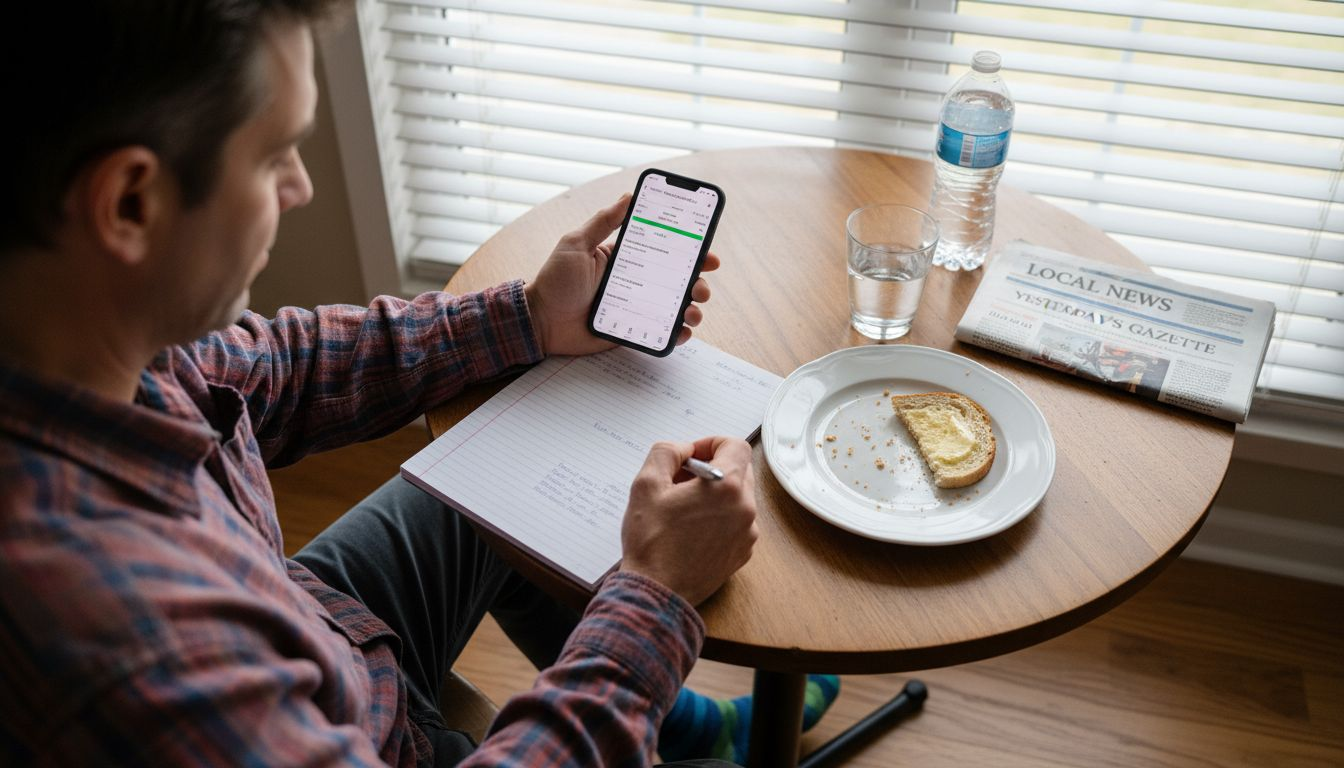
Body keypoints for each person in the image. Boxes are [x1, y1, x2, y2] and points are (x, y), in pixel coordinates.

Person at [0, 2, 839, 765]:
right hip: (370, 735)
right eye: (274, 156)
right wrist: (655, 597)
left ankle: (679, 729)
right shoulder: (130, 646)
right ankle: (662, 717)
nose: (302, 188)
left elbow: (278, 368)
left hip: (318, 626)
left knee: (498, 457)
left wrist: (531, 318)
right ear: (130, 204)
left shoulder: (84, 340)